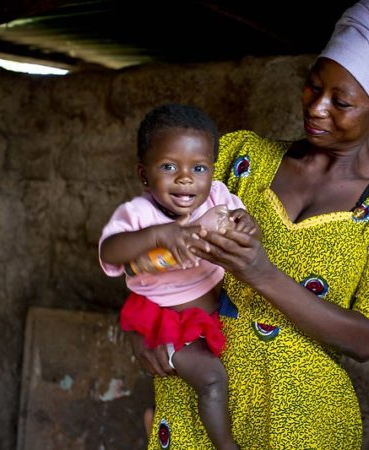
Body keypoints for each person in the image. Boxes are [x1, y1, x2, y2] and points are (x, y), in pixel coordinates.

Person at [130, 0, 369, 448]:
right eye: (313, 86)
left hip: (299, 420)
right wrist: (146, 330)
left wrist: (259, 272)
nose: (317, 108)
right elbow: (148, 244)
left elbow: (364, 340)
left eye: (340, 102)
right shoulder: (241, 159)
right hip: (197, 396)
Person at [99, 103, 258, 450]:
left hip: (212, 313)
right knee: (212, 381)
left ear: (212, 172)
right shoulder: (140, 213)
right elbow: (109, 251)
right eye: (169, 166)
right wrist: (157, 235)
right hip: (166, 320)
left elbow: (248, 229)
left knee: (215, 381)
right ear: (144, 175)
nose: (185, 178)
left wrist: (248, 224)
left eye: (198, 167)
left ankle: (152, 418)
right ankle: (226, 446)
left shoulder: (217, 196)